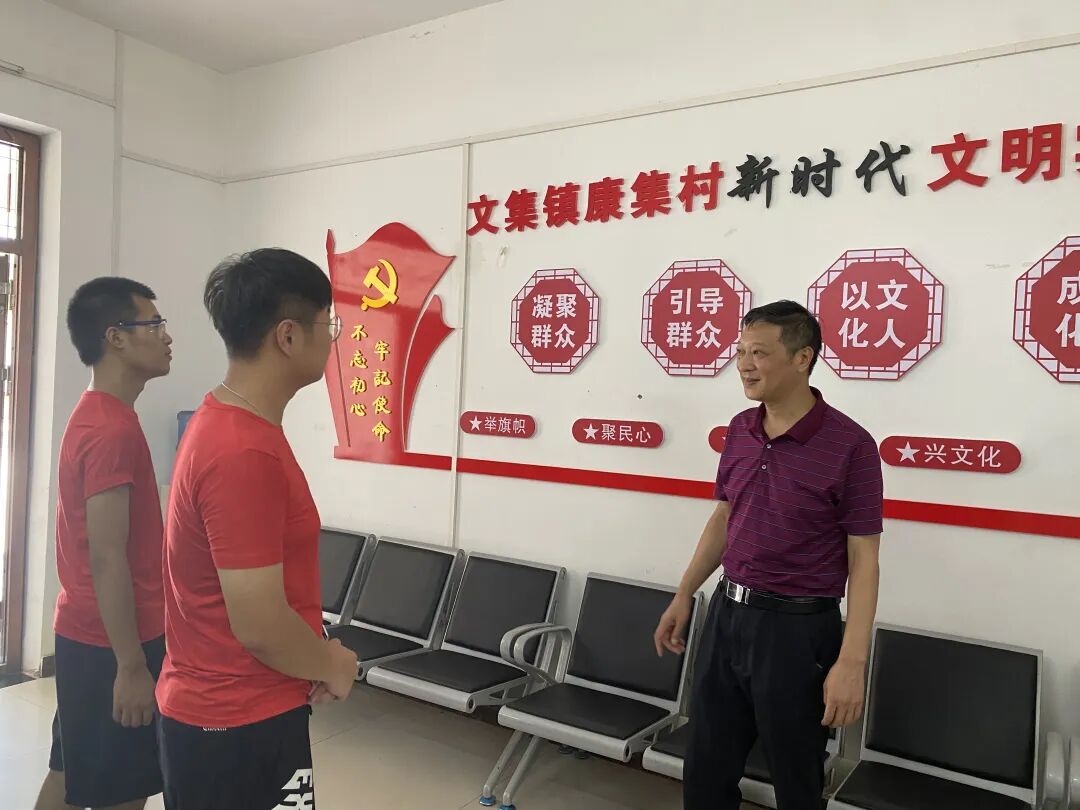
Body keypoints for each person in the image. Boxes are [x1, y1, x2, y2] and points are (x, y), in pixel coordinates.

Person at [654, 300, 883, 810]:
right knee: (706, 766)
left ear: (803, 358)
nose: (744, 365)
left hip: (798, 633)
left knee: (796, 778)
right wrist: (685, 592)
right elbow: (724, 517)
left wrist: (851, 661)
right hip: (727, 615)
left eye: (758, 353)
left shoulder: (851, 445)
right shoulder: (741, 429)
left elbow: (864, 558)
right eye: (740, 352)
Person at [155, 248, 359, 810]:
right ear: (288, 336)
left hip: (243, 709)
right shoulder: (242, 451)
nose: (334, 341)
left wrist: (310, 658)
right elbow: (260, 623)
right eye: (329, 325)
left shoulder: (232, 425)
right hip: (236, 723)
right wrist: (334, 664)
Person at [36, 278, 173, 810]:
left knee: (70, 773)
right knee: (122, 794)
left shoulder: (100, 414)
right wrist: (131, 666)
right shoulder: (111, 430)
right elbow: (107, 555)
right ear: (115, 337)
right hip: (112, 644)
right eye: (154, 324)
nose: (166, 336)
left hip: (90, 635)